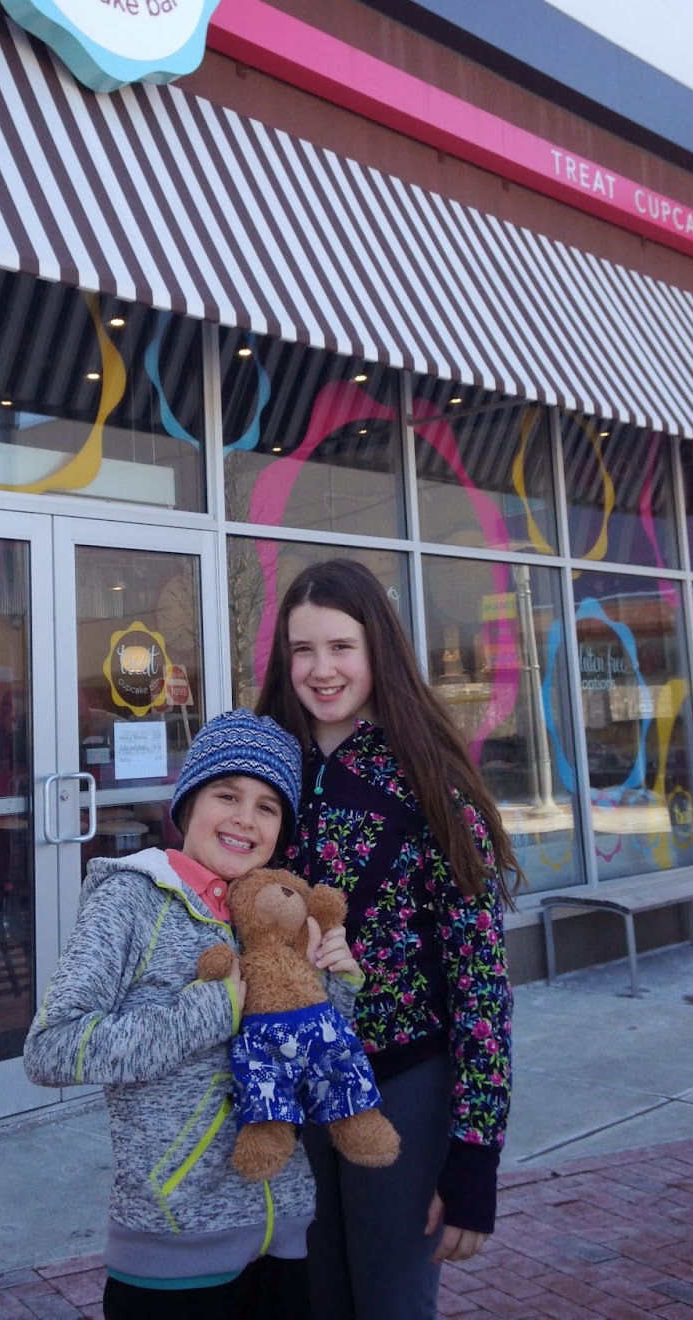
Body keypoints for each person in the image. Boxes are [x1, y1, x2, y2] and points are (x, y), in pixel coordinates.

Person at [22, 708, 364, 1319]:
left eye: (267, 807)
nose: (245, 818)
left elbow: (307, 1071)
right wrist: (211, 1010)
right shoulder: (133, 898)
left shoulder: (275, 917)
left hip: (282, 1237)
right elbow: (52, 1048)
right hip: (173, 1252)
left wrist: (335, 986)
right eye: (226, 795)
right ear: (187, 805)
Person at [255, 558, 521, 1320]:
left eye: (341, 646)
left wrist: (475, 1153)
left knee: (390, 1303)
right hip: (289, 1085)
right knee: (309, 1300)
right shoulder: (266, 772)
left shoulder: (430, 781)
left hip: (400, 1087)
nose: (322, 669)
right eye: (303, 649)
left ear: (379, 649)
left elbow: (480, 985)